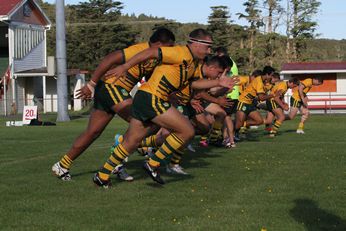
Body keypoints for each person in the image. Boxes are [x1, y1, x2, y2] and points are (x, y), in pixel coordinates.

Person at [93, 28, 237, 188]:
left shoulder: (192, 61)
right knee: (187, 131)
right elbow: (150, 52)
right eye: (208, 46)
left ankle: (102, 175)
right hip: (152, 98)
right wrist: (124, 67)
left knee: (131, 142)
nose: (209, 50)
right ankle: (153, 163)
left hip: (146, 98)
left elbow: (193, 84)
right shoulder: (180, 53)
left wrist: (218, 83)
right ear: (196, 44)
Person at [51, 27, 176, 181]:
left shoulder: (155, 57)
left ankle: (62, 165)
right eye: (169, 47)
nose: (170, 51)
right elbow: (110, 58)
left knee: (93, 133)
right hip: (113, 88)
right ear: (158, 43)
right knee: (146, 121)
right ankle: (119, 153)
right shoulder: (140, 49)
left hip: (110, 90)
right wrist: (91, 84)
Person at [234, 66, 276, 140]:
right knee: (239, 124)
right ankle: (232, 132)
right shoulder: (259, 81)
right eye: (271, 75)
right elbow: (261, 98)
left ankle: (237, 125)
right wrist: (272, 95)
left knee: (259, 121)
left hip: (250, 103)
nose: (272, 77)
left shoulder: (262, 81)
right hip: (243, 102)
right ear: (266, 74)